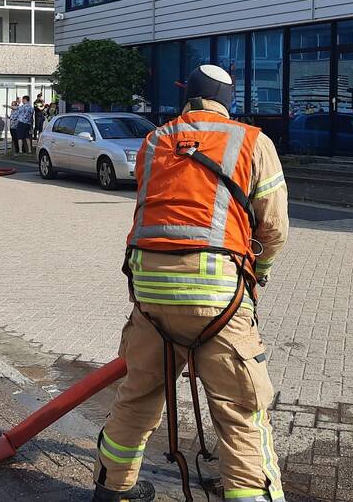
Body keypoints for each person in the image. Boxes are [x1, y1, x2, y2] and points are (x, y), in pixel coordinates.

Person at [92, 64, 289, 502]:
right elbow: (273, 227)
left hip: (149, 290)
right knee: (240, 407)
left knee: (139, 394)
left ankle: (111, 490)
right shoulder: (253, 142)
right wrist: (259, 271)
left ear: (190, 96)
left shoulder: (154, 140)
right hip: (218, 295)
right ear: (229, 99)